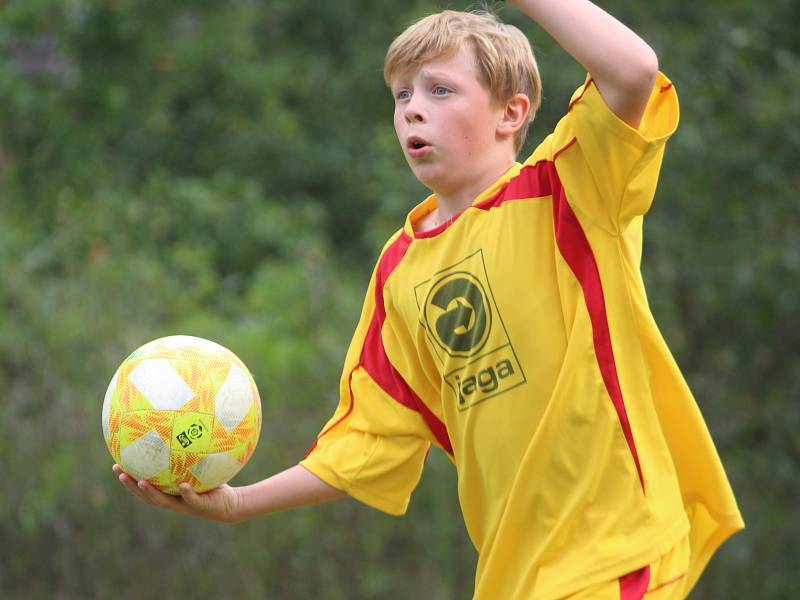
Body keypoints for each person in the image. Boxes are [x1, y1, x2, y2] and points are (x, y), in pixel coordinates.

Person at [113, 1, 744, 597]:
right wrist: (237, 503)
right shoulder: (400, 270)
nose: (414, 109)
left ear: (512, 113)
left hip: (618, 548)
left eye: (441, 90)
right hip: (512, 577)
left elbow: (633, 69)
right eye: (402, 95)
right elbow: (364, 441)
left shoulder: (569, 188)